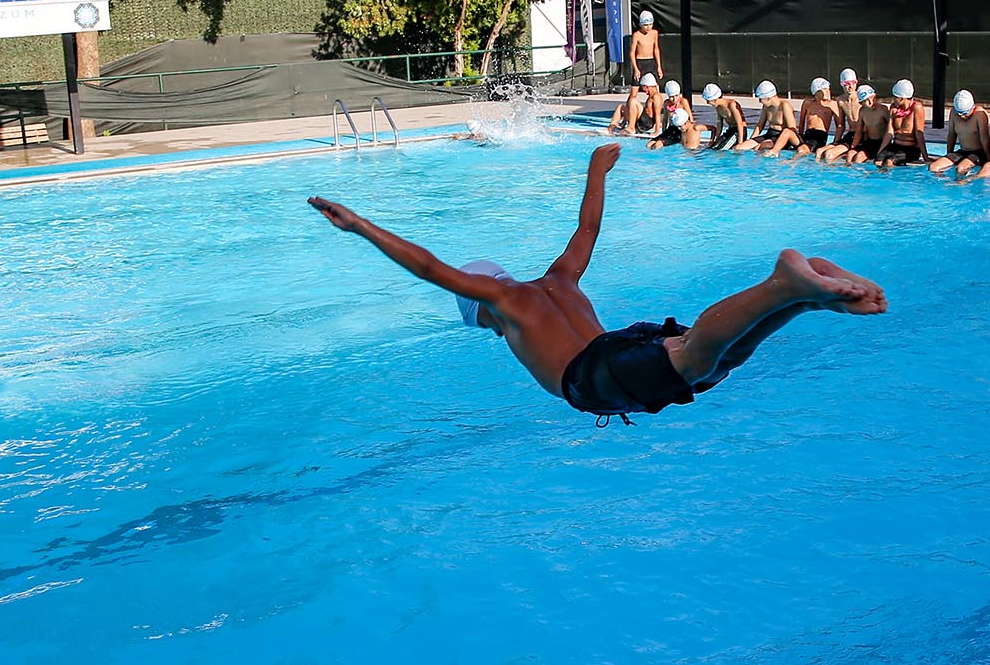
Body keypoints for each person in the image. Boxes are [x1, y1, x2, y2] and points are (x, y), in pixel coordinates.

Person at [307, 144, 887, 423]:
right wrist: (594, 170)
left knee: (697, 359)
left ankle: (785, 284)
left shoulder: (503, 302)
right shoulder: (560, 276)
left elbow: (430, 267)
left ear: (479, 299)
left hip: (591, 376)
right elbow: (588, 226)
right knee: (717, 362)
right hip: (611, 349)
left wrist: (360, 227)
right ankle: (807, 299)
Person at [772, 77, 841, 160]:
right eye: (825, 89)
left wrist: (835, 142)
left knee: (801, 149)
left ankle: (791, 163)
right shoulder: (807, 103)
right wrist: (799, 136)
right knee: (787, 131)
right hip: (806, 135)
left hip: (818, 138)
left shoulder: (832, 104)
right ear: (816, 91)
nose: (828, 92)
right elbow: (801, 122)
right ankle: (774, 152)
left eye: (828, 89)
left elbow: (839, 126)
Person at [929, 89, 990, 177]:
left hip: (979, 153)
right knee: (933, 167)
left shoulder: (979, 114)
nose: (961, 116)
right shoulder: (953, 113)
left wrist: (989, 161)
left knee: (961, 168)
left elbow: (985, 140)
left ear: (972, 107)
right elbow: (951, 135)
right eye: (959, 113)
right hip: (962, 152)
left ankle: (960, 186)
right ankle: (945, 187)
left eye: (965, 113)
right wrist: (949, 154)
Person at [876, 79, 928, 168]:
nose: (893, 99)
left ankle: (892, 180)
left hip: (910, 149)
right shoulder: (894, 108)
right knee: (878, 161)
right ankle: (881, 180)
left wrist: (925, 156)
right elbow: (889, 133)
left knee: (889, 162)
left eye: (894, 97)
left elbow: (919, 134)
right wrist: (880, 151)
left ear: (901, 98)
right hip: (895, 146)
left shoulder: (917, 108)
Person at [737, 81, 797, 153]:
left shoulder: (784, 106)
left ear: (768, 98)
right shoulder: (766, 106)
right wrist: (752, 139)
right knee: (739, 147)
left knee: (758, 147)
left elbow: (792, 129)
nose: (759, 101)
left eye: (761, 99)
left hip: (780, 137)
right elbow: (760, 126)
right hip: (769, 134)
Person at [845, 84, 889, 164]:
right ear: (861, 103)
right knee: (849, 154)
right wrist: (853, 146)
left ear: (875, 96)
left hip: (880, 143)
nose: (871, 102)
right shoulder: (862, 111)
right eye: (867, 100)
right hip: (868, 142)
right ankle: (849, 175)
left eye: (872, 98)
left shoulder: (883, 110)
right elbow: (859, 131)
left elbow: (891, 129)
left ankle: (861, 175)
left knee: (859, 157)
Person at [646, 81, 697, 150]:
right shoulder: (666, 103)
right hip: (670, 129)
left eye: (676, 96)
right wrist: (663, 133)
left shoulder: (683, 102)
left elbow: (691, 119)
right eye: (671, 97)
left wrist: (689, 134)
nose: (674, 99)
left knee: (658, 144)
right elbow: (665, 120)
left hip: (680, 130)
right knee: (649, 144)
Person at [612, 73, 662, 137]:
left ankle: (631, 128)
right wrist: (624, 120)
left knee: (633, 101)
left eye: (643, 88)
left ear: (646, 87)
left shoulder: (656, 96)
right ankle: (611, 127)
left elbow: (658, 114)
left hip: (646, 123)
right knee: (620, 107)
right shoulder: (651, 96)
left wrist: (657, 131)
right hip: (641, 119)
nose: (644, 92)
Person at [700, 83, 747, 151]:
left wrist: (740, 143)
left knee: (721, 150)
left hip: (739, 132)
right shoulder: (718, 107)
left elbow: (740, 124)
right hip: (730, 131)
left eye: (708, 101)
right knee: (711, 149)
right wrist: (716, 138)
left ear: (714, 99)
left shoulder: (732, 105)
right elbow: (719, 123)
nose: (707, 103)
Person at [630, 10, 663, 85]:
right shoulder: (637, 35)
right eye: (645, 25)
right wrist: (636, 69)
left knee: (655, 89)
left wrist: (659, 66)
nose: (648, 27)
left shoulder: (654, 33)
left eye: (650, 24)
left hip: (651, 62)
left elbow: (656, 49)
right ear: (640, 25)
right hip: (640, 62)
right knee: (634, 91)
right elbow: (632, 52)